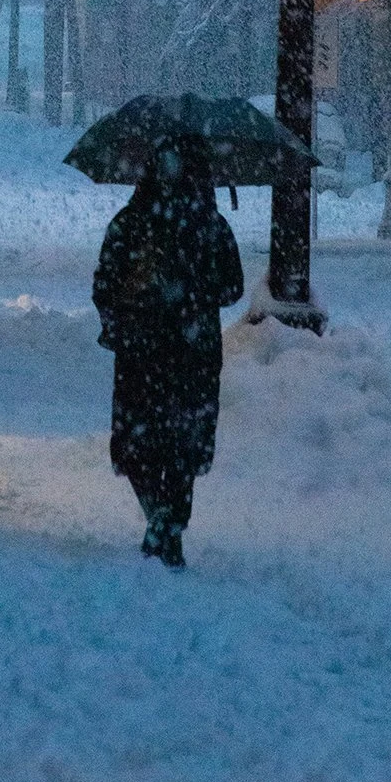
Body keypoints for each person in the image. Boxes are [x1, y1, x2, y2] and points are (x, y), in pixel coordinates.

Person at [92, 133, 243, 568]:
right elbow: (231, 287)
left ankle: (159, 517)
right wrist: (193, 294)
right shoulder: (210, 226)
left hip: (143, 351)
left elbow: (103, 283)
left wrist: (125, 315)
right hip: (192, 352)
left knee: (143, 443)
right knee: (181, 445)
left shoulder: (131, 221)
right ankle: (169, 521)